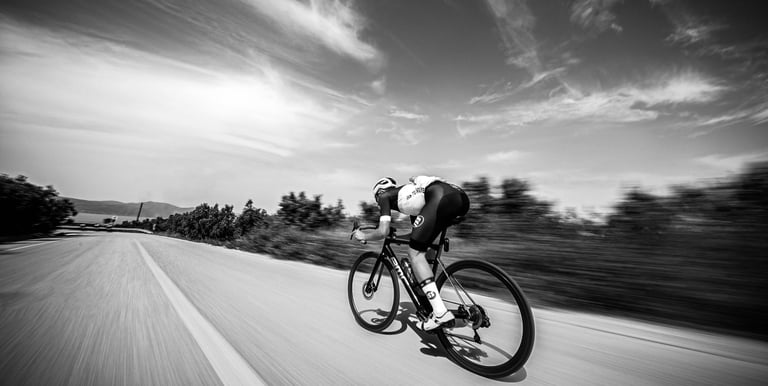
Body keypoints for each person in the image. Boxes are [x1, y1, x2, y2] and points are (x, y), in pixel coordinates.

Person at [352, 176, 470, 331]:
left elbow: (383, 231)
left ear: (379, 192)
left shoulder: (385, 196)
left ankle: (440, 313)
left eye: (376, 199)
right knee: (425, 249)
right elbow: (416, 234)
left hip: (440, 196)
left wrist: (363, 236)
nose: (379, 202)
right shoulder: (413, 198)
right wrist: (395, 238)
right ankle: (450, 313)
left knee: (415, 254)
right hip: (459, 198)